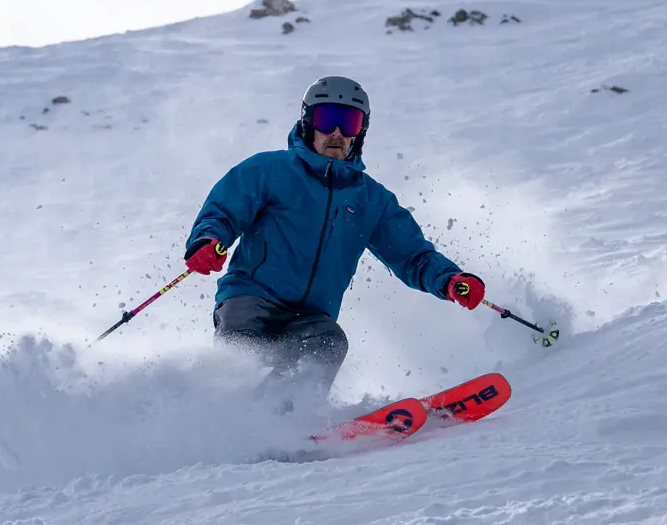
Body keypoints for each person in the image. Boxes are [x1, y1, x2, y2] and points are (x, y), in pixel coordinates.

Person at [184, 76, 485, 399]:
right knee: (242, 355)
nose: (337, 134)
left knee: (330, 342)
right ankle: (214, 416)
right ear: (308, 122)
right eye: (328, 120)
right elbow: (224, 210)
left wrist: (450, 279)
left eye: (349, 123)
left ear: (361, 132)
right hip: (251, 299)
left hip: (312, 316)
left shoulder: (372, 200)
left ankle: (281, 425)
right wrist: (208, 241)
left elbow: (412, 256)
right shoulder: (269, 170)